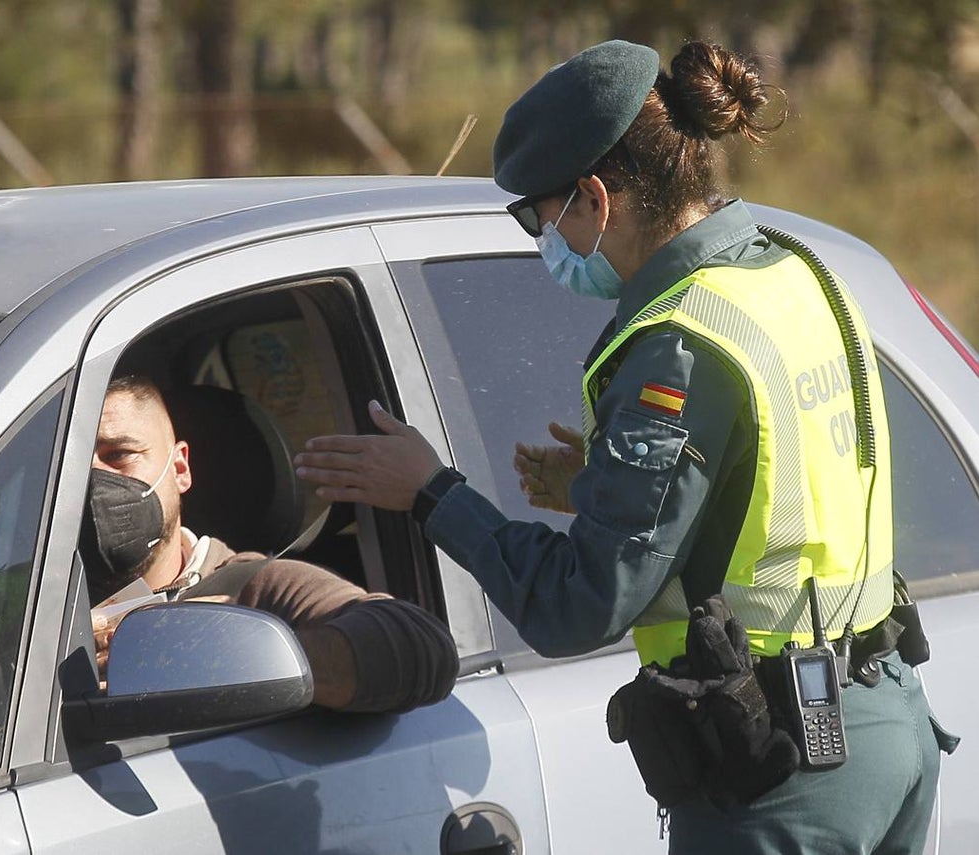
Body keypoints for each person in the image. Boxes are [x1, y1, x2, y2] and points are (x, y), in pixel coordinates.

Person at [293, 39, 955, 852]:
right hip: (887, 723)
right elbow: (789, 493)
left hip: (784, 777)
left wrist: (433, 492)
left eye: (540, 218)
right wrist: (604, 488)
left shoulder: (680, 345)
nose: (545, 244)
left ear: (595, 200)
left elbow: (580, 606)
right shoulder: (800, 273)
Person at [81, 374, 458, 713]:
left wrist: (224, 652)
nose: (96, 484)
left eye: (119, 455)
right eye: (78, 471)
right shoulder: (32, 599)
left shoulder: (255, 587)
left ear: (180, 469)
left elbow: (425, 650)